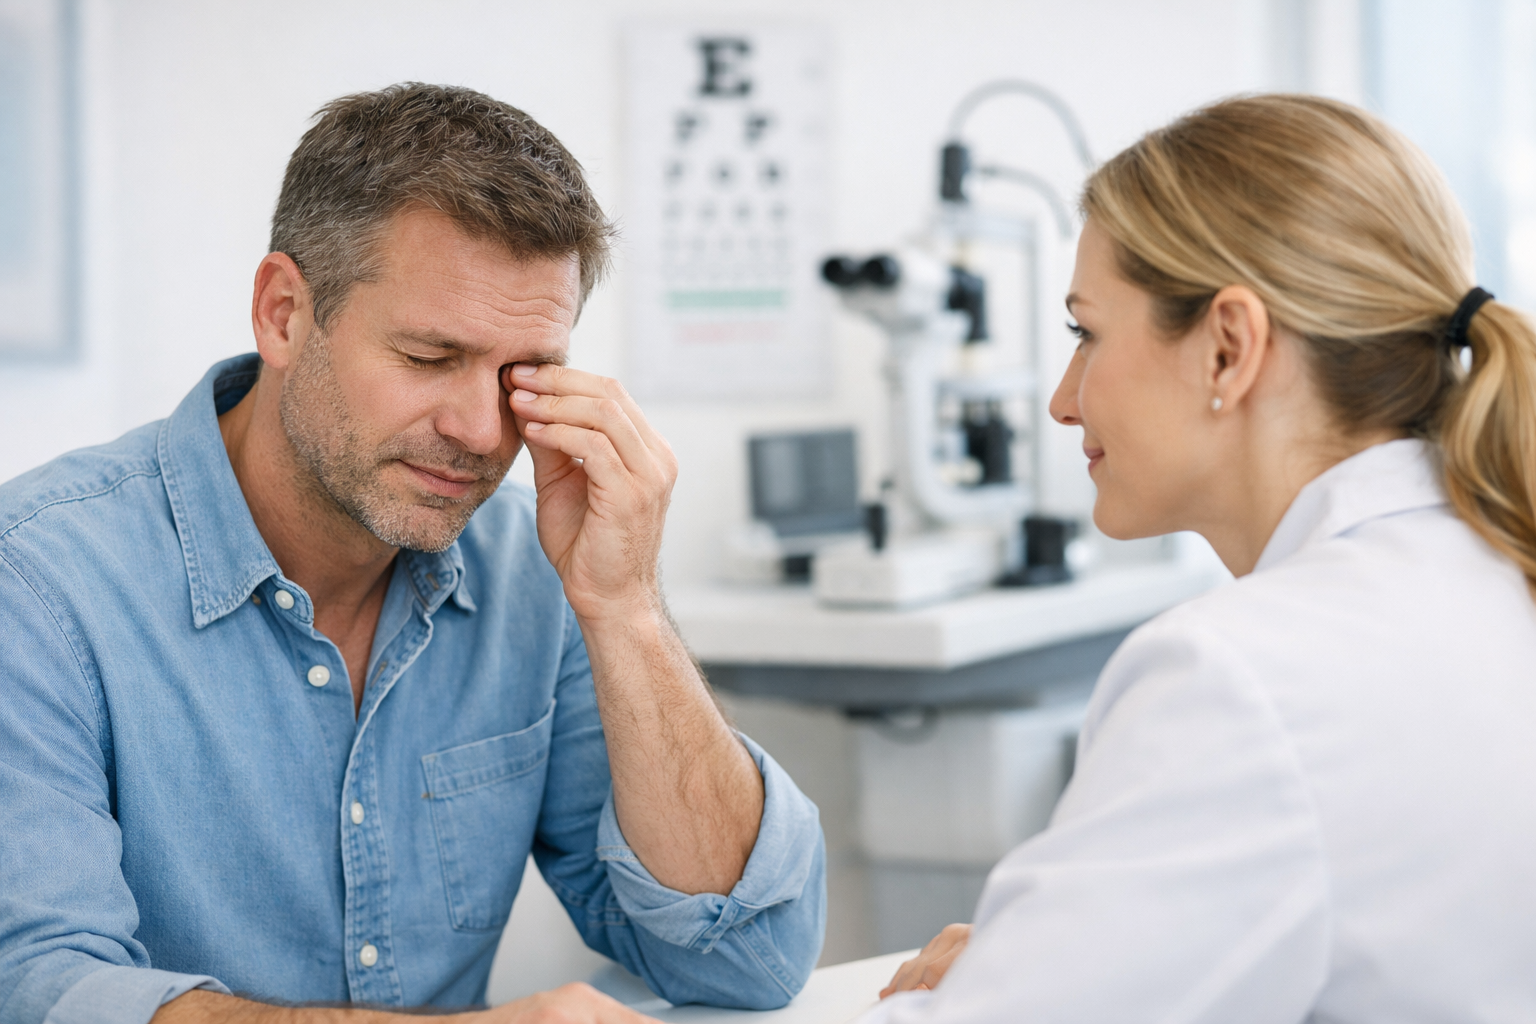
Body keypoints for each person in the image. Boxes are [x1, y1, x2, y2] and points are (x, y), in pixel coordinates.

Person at [0, 84, 826, 1024]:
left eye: (523, 376)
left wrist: (627, 606)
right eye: (430, 358)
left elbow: (748, 961)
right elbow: (41, 991)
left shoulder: (532, 570)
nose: (481, 431)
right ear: (283, 313)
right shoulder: (36, 586)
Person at [868, 94, 1536, 1022]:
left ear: (1229, 348)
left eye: (1087, 335)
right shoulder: (1494, 573)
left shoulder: (1240, 676)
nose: (1063, 400)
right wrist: (1083, 951)